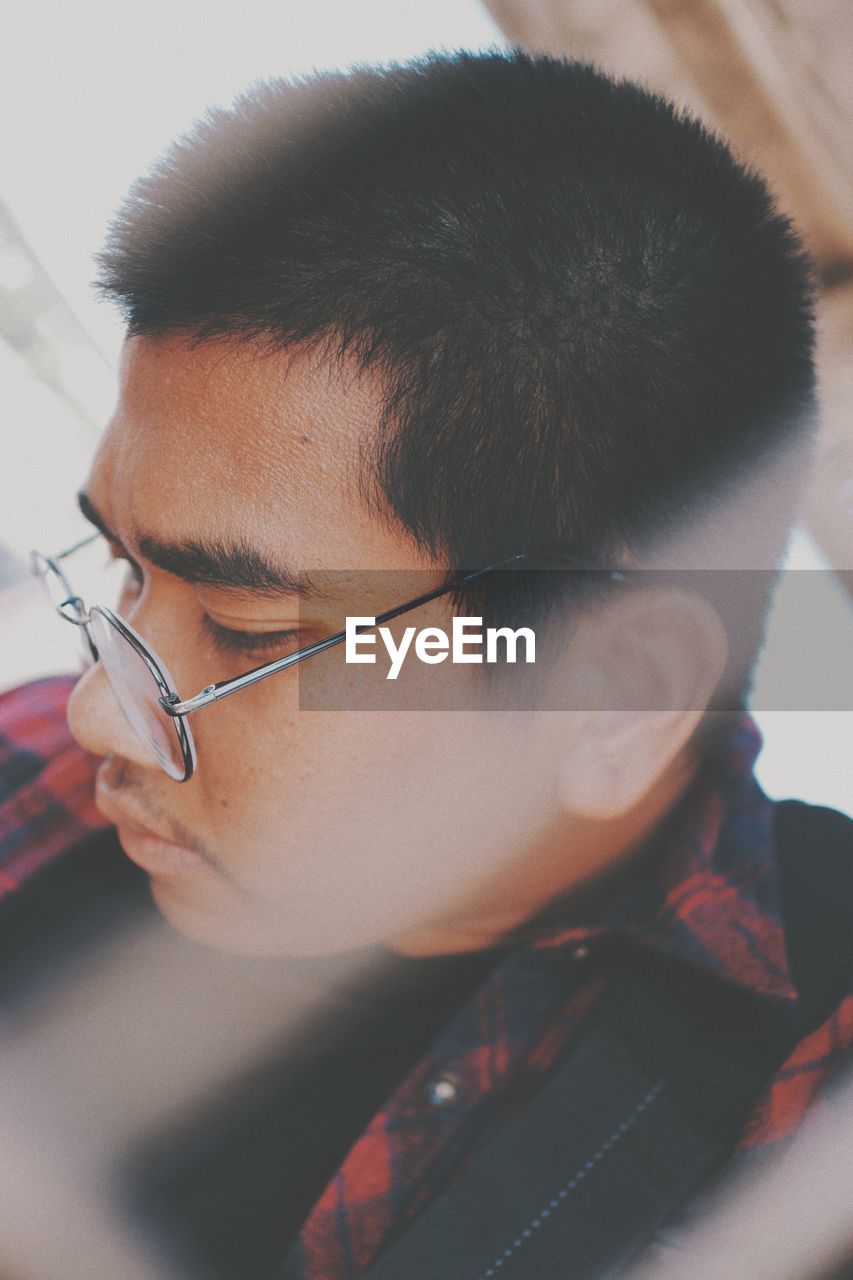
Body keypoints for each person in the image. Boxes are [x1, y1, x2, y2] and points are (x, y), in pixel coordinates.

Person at [2, 50, 851, 1280]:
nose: (99, 714)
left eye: (244, 626)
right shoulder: (27, 757)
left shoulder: (805, 1082)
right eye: (128, 570)